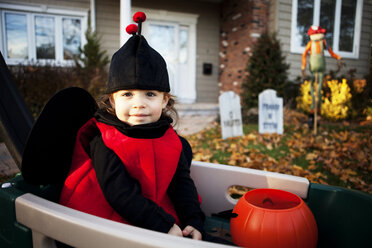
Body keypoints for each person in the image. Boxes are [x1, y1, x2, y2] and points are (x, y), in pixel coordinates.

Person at [59, 12, 205, 240]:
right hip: (104, 219)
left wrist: (193, 220)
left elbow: (182, 184)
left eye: (150, 94)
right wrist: (162, 225)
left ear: (165, 100)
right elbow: (119, 193)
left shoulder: (170, 139)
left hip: (152, 212)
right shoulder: (105, 140)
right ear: (113, 100)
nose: (139, 104)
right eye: (127, 94)